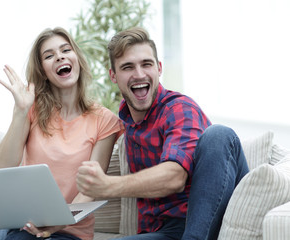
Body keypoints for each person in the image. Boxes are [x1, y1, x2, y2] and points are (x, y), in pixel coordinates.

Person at [76, 27, 249, 239]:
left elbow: (174, 177)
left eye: (146, 64)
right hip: (166, 232)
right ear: (113, 75)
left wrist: (108, 186)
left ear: (159, 68)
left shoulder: (179, 109)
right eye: (127, 67)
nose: (139, 74)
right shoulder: (124, 122)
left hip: (207, 219)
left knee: (219, 136)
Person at [0, 27, 124, 240]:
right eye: (49, 55)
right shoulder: (31, 108)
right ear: (43, 71)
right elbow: (4, 165)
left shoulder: (104, 120)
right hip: (25, 225)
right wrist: (20, 112)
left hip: (70, 230)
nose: (60, 57)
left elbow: (90, 189)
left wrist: (56, 223)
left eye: (66, 50)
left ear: (77, 60)